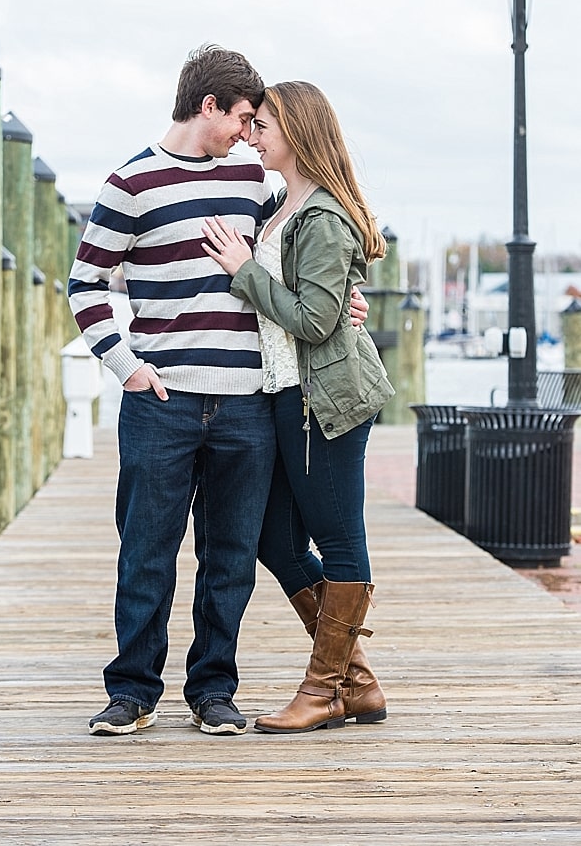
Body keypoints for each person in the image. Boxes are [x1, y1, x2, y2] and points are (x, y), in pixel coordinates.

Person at [69, 44, 278, 737]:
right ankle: (131, 691)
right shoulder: (131, 182)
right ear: (208, 105)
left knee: (230, 558)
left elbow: (306, 232)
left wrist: (347, 290)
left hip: (246, 401)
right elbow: (85, 285)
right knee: (147, 550)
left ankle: (213, 689)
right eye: (243, 118)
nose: (250, 134)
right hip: (160, 400)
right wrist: (126, 365)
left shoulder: (255, 176)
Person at [201, 80, 393, 734]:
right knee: (275, 538)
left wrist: (243, 270)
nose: (252, 137)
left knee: (339, 540)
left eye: (262, 126)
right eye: (249, 125)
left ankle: (323, 691)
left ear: (297, 129)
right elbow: (327, 302)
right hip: (285, 394)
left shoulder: (325, 216)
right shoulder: (286, 205)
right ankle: (357, 681)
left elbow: (314, 320)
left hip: (325, 400)